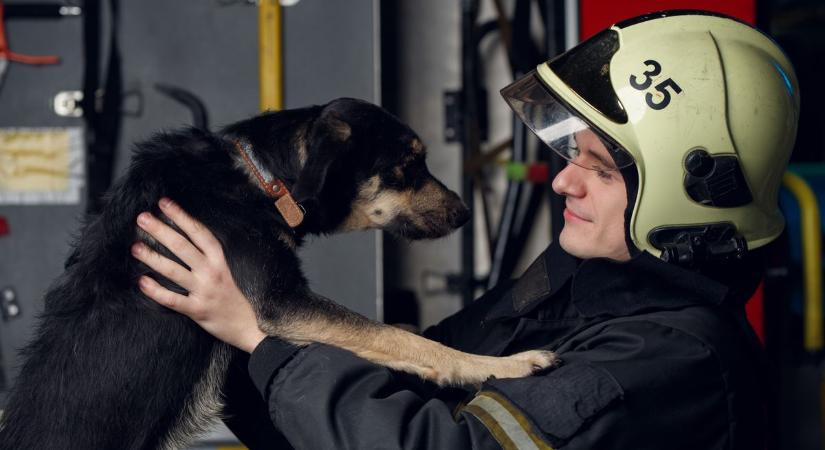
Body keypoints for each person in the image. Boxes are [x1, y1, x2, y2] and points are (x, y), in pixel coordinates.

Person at [131, 11, 798, 449]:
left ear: (688, 192)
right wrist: (253, 351)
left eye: (598, 170)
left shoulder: (673, 360)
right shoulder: (583, 288)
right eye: (573, 159)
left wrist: (261, 337)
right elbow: (427, 374)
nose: (563, 182)